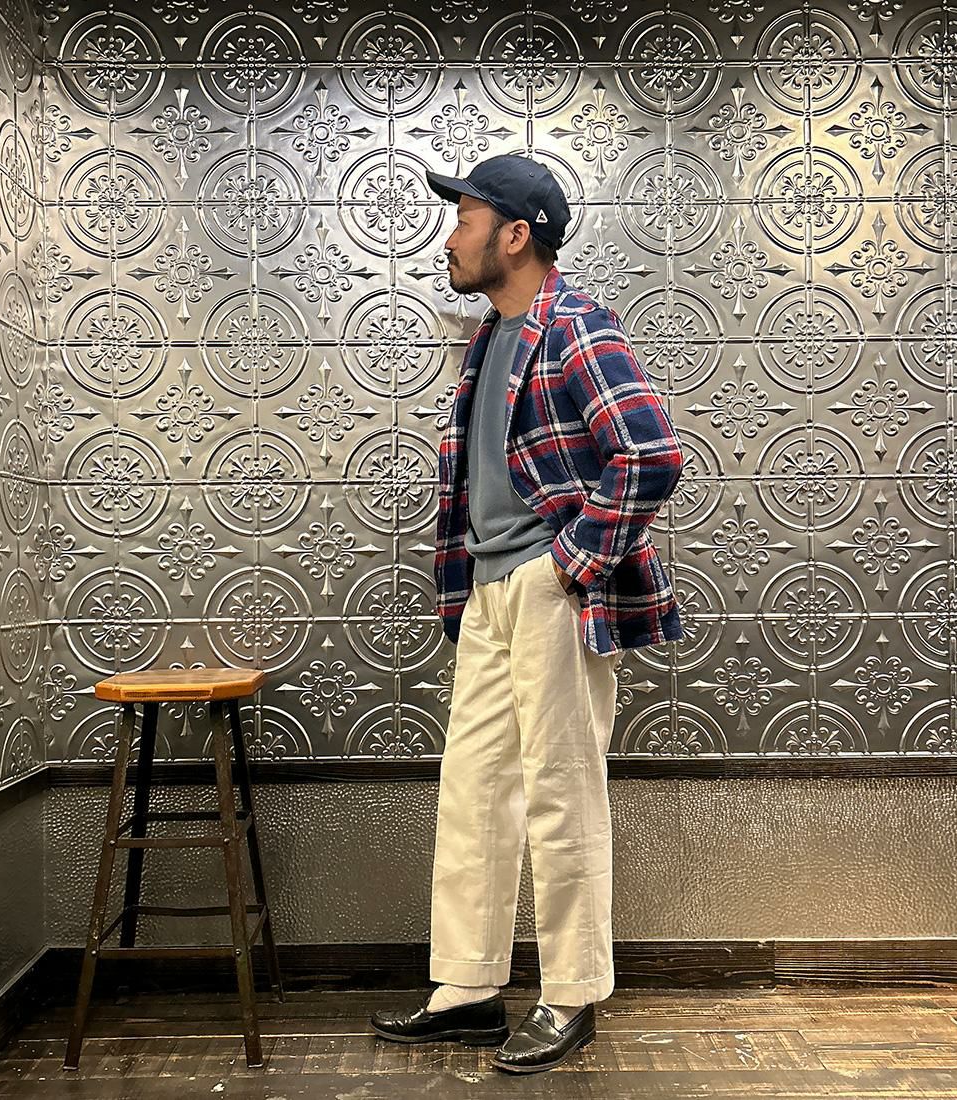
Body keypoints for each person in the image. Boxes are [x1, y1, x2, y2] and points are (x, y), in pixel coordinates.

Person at [370, 153, 684, 1074]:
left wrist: (567, 565)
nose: (450, 238)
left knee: (559, 791)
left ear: (515, 235)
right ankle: (468, 989)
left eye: (465, 220)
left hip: (550, 591)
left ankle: (571, 994)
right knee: (474, 791)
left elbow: (651, 454)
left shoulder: (574, 325)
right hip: (488, 592)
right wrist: (482, 584)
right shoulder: (490, 338)